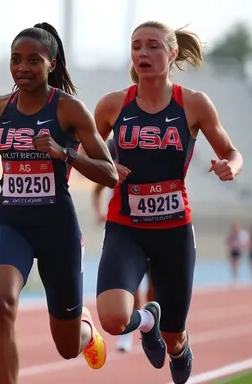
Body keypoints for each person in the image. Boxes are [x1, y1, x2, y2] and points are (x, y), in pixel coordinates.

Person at [94, 21, 243, 384]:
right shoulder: (113, 105)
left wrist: (230, 167)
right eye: (137, 46)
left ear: (172, 54)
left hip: (174, 230)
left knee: (174, 337)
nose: (143, 54)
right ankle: (147, 321)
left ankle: (179, 346)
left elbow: (231, 151)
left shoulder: (193, 103)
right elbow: (84, 153)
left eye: (153, 47)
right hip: (126, 227)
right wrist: (107, 166)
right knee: (113, 319)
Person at [0, 22, 118, 383]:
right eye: (16, 59)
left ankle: (85, 328)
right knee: (2, 303)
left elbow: (109, 174)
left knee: (67, 347)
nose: (22, 67)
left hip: (57, 229)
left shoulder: (69, 110)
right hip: (12, 223)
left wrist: (64, 152)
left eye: (33, 60)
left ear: (51, 63)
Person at [90, 136, 155, 353]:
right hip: (124, 232)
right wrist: (100, 212)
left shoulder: (148, 164)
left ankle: (151, 323)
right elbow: (97, 190)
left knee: (154, 290)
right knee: (131, 289)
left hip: (154, 230)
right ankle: (127, 336)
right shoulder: (112, 171)